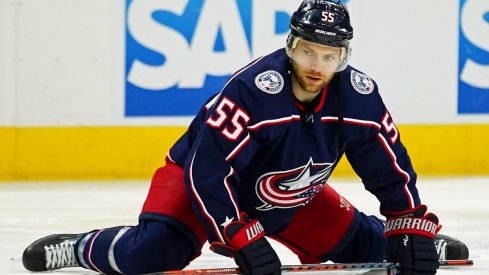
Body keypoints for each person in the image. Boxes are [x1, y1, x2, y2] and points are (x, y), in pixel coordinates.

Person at [22, 1, 469, 275]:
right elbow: (207, 169)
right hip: (202, 187)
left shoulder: (358, 95)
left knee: (374, 248)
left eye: (329, 55)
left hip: (290, 192)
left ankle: (404, 237)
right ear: (291, 45)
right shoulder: (253, 89)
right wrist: (241, 235)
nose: (317, 65)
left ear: (343, 56)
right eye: (308, 50)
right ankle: (81, 247)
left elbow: (388, 164)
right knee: (155, 252)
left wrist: (409, 223)